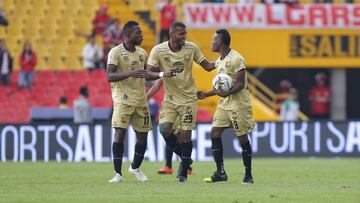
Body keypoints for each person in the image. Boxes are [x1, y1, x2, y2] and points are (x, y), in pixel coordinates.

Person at [106, 21, 175, 183]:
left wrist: (162, 74)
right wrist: (131, 72)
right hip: (122, 101)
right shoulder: (115, 52)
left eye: (142, 33)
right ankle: (117, 173)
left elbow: (146, 74)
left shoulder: (142, 53)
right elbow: (109, 76)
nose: (142, 36)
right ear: (128, 35)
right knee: (119, 134)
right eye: (138, 33)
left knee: (143, 137)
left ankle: (135, 168)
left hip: (141, 100)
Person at [146, 21, 215, 182]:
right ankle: (185, 159)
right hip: (170, 99)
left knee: (185, 135)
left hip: (189, 99)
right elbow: (148, 73)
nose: (185, 36)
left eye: (185, 33)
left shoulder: (191, 48)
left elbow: (207, 66)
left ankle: (183, 172)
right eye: (181, 34)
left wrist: (222, 61)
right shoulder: (158, 50)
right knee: (164, 129)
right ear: (172, 34)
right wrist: (163, 74)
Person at [197, 29, 255, 184]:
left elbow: (241, 84)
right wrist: (205, 94)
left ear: (220, 42)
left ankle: (248, 175)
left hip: (238, 104)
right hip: (225, 103)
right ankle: (220, 172)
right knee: (214, 133)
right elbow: (219, 83)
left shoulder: (236, 59)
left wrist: (226, 93)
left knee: (242, 138)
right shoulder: (219, 60)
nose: (211, 43)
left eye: (213, 40)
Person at [146, 79, 193, 175]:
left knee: (180, 135)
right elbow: (157, 83)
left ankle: (182, 164)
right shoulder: (167, 67)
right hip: (171, 103)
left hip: (185, 103)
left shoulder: (184, 70)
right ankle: (178, 163)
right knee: (169, 132)